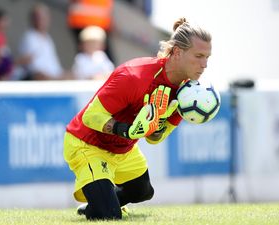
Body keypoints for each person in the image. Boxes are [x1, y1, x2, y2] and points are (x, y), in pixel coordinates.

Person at [63, 17, 212, 220]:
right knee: (110, 216)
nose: (204, 65)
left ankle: (99, 203)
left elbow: (154, 139)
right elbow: (91, 116)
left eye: (207, 58)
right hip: (88, 144)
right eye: (199, 56)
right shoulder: (134, 76)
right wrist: (126, 130)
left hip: (123, 148)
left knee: (143, 192)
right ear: (177, 52)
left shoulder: (186, 94)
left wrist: (157, 126)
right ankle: (104, 205)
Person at [17, 3, 65, 80]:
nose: (40, 20)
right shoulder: (29, 37)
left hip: (54, 77)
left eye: (43, 17)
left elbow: (55, 66)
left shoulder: (48, 38)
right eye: (37, 17)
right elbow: (32, 68)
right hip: (39, 78)